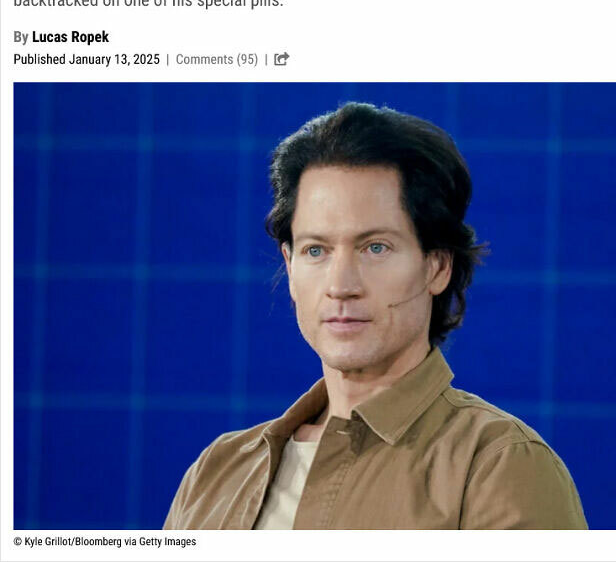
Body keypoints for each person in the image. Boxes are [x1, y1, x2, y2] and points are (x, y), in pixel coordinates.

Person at [164, 102, 587, 530]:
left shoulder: (498, 465)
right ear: (289, 267)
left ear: (437, 266)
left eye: (375, 247)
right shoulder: (217, 472)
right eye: (316, 250)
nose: (341, 284)